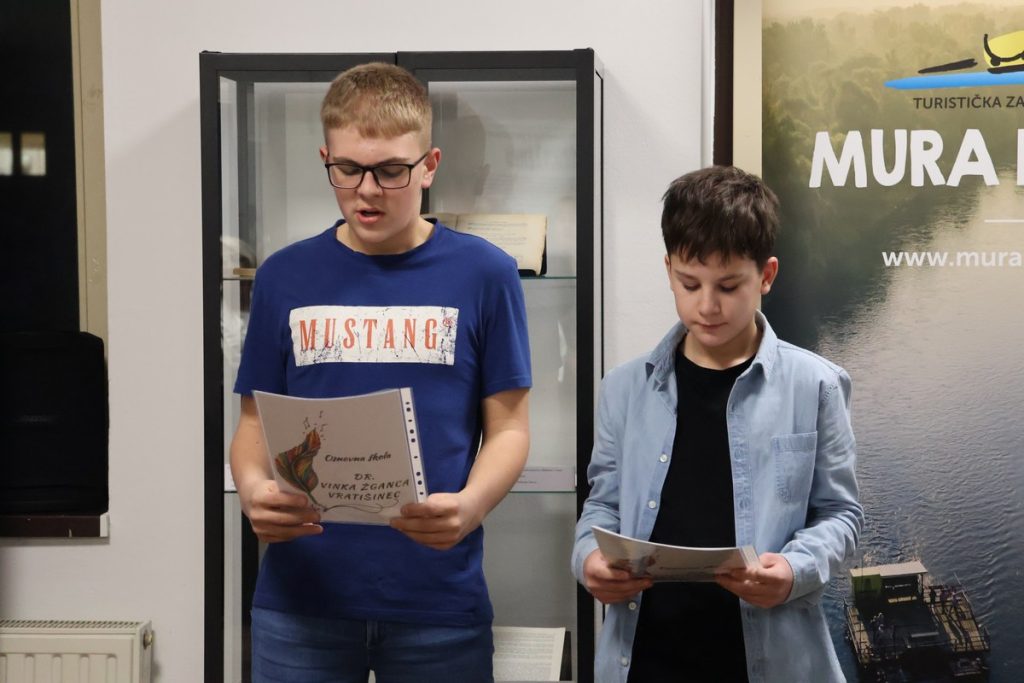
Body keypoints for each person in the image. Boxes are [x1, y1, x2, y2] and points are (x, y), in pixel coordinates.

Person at [230, 62, 532, 683]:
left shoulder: (486, 274)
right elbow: (253, 424)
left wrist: (470, 506)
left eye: (392, 171)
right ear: (326, 159)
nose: (367, 191)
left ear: (429, 165)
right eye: (347, 169)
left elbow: (509, 429)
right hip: (301, 600)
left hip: (437, 600)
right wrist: (254, 490)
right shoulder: (284, 276)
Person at [571, 166, 862, 682]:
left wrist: (794, 570)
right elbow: (602, 505)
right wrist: (589, 558)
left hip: (772, 660)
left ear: (766, 276)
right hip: (645, 658)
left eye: (728, 286)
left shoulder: (816, 385)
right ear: (669, 270)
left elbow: (841, 516)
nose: (706, 305)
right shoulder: (623, 388)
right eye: (689, 284)